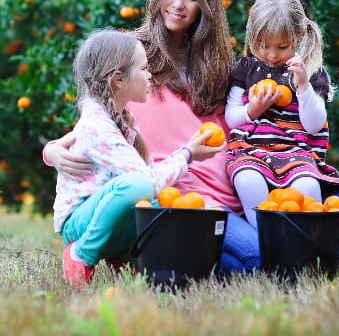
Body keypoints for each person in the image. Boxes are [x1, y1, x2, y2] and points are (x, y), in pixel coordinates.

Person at [43, 0, 263, 274]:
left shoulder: (217, 65)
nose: (177, 5)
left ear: (206, 4)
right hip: (164, 192)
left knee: (264, 256)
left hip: (216, 193)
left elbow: (236, 131)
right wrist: (51, 152)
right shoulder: (132, 55)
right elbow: (96, 123)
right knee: (251, 264)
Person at [52, 29, 223, 290]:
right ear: (118, 80)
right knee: (138, 187)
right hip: (78, 223)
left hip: (103, 214)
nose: (150, 75)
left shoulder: (125, 120)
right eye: (143, 69)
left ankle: (123, 256)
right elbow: (146, 181)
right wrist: (187, 155)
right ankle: (80, 255)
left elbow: (150, 177)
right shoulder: (98, 126)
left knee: (166, 206)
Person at [224, 0, 339, 233]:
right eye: (262, 45)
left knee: (308, 189)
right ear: (251, 35)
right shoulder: (247, 69)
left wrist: (303, 86)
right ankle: (266, 240)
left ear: (299, 37)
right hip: (251, 152)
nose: (271, 55)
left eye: (281, 47)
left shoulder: (310, 71)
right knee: (247, 181)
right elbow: (231, 117)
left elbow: (314, 125)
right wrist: (252, 110)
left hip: (296, 155)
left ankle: (302, 242)